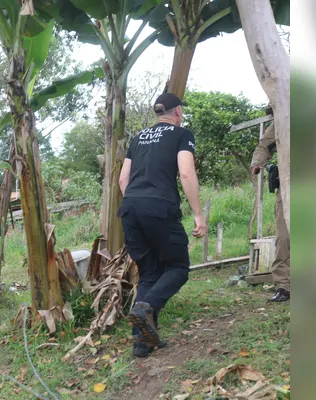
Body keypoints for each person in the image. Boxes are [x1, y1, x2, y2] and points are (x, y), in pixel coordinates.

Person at [118, 93, 207, 358]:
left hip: (130, 208)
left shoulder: (138, 138)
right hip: (159, 207)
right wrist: (199, 214)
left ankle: (142, 342)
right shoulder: (181, 134)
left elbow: (123, 180)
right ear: (177, 111)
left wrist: (138, 205)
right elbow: (187, 172)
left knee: (150, 273)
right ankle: (145, 308)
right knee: (178, 268)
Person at [250, 122, 290, 302]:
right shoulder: (284, 117)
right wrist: (257, 162)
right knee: (284, 237)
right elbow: (264, 145)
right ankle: (283, 286)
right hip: (288, 187)